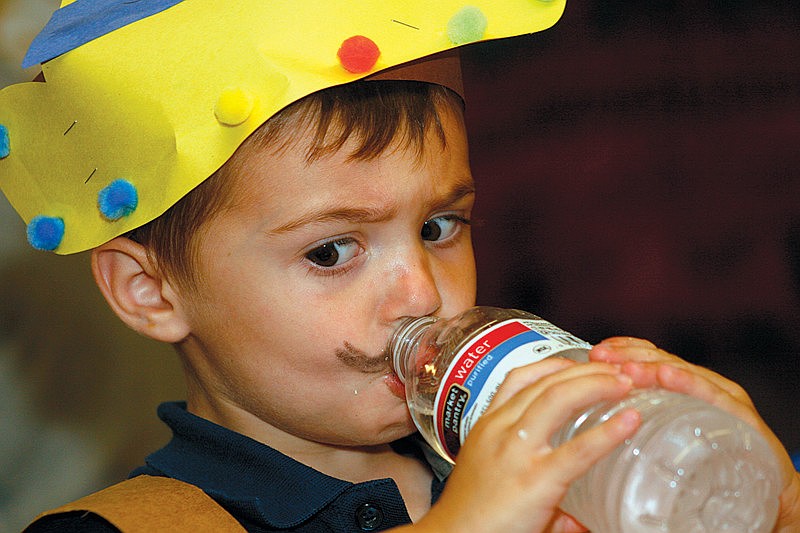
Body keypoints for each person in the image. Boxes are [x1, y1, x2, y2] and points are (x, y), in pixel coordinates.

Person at [1, 1, 798, 531]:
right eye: (331, 250)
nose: (420, 288)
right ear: (151, 290)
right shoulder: (123, 526)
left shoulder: (537, 460)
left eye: (441, 224)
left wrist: (774, 500)